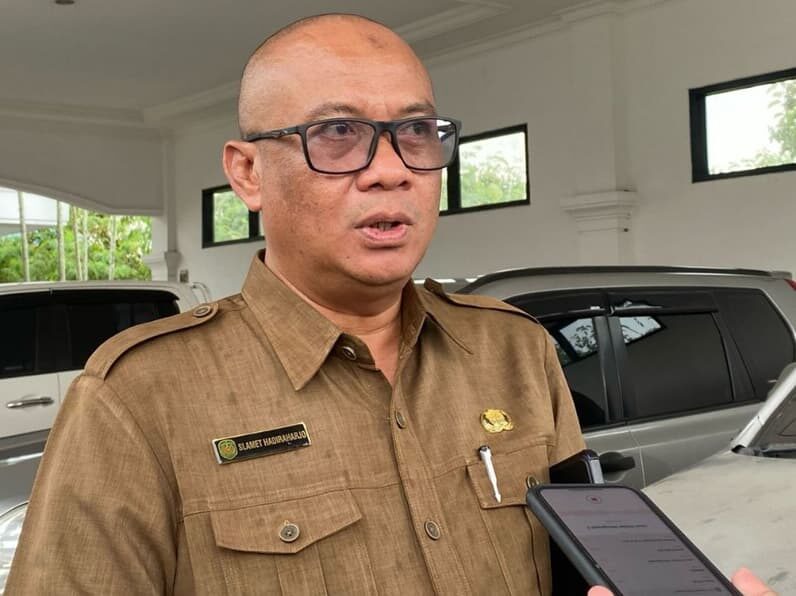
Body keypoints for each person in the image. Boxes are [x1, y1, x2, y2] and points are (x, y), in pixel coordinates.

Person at [6, 13, 775, 596]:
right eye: (339, 133)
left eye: (415, 132)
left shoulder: (513, 350)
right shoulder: (140, 397)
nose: (391, 170)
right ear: (247, 174)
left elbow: (574, 565)